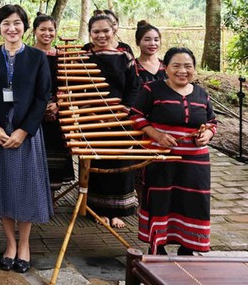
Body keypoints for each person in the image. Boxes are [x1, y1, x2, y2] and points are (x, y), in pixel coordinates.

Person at [0, 5, 52, 274]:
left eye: (17, 23)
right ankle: (9, 244)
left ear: (25, 26)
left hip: (25, 133)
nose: (12, 28)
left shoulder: (37, 58)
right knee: (3, 186)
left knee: (25, 187)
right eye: (6, 23)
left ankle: (25, 244)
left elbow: (43, 97)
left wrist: (24, 130)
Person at [130, 48, 217, 255]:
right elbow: (136, 116)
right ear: (165, 68)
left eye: (188, 66)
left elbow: (212, 122)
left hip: (196, 161)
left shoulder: (201, 93)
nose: (182, 71)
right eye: (176, 66)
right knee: (161, 198)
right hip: (162, 158)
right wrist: (157, 135)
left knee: (194, 201)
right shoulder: (152, 90)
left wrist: (208, 135)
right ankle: (158, 246)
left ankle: (188, 247)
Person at [84, 13, 141, 229]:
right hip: (92, 119)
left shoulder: (124, 56)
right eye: (96, 31)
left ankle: (118, 212)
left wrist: (124, 110)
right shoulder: (84, 54)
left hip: (120, 118)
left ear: (114, 30)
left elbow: (134, 87)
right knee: (97, 161)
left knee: (120, 162)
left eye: (105, 31)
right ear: (90, 34)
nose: (101, 35)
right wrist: (89, 111)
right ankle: (98, 210)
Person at [32, 14, 74, 190]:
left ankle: (52, 198)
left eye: (51, 29)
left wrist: (57, 105)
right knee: (35, 154)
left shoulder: (63, 56)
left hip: (58, 112)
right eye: (42, 29)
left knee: (55, 155)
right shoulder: (27, 55)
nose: (47, 33)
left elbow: (70, 84)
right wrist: (42, 108)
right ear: (34, 31)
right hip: (33, 113)